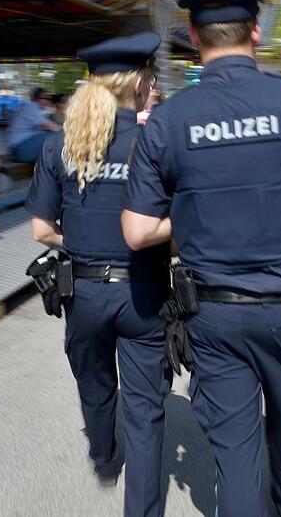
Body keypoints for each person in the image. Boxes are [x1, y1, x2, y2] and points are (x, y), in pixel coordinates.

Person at [121, 0, 281, 515]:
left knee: (234, 456)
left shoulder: (168, 120)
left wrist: (192, 214)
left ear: (193, 38)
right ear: (257, 32)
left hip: (213, 317)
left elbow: (136, 231)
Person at [25, 32, 172, 516]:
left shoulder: (57, 146)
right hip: (145, 292)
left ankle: (105, 460)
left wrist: (82, 244)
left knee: (94, 386)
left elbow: (41, 229)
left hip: (83, 293)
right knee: (146, 412)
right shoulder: (155, 143)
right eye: (150, 79)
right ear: (138, 83)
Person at [8, 87, 60, 162]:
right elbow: (51, 127)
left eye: (49, 99)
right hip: (21, 149)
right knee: (56, 136)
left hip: (21, 148)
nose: (49, 101)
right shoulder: (31, 107)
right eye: (46, 98)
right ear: (38, 99)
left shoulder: (34, 109)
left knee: (55, 138)